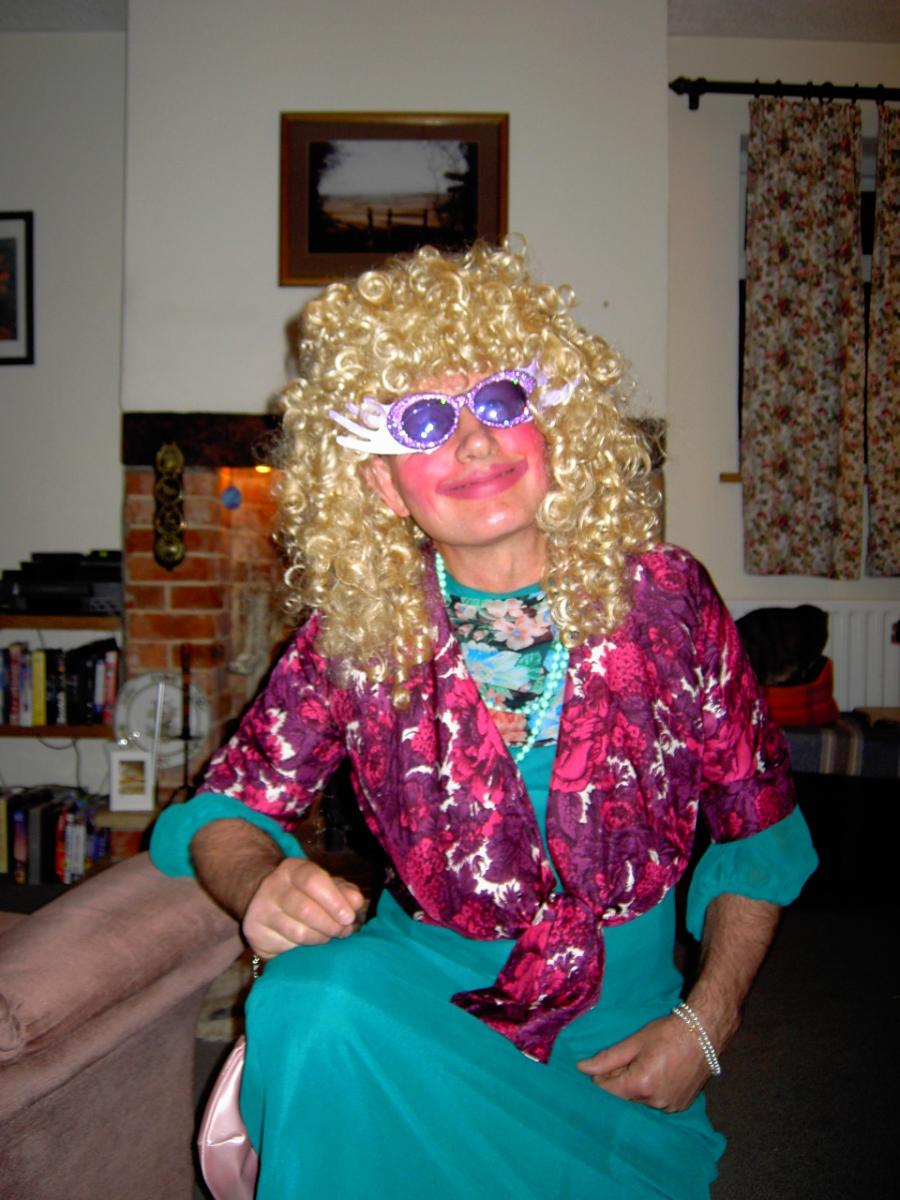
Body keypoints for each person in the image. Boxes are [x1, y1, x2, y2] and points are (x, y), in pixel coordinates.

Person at [150, 239, 817, 1199]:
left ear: (553, 432)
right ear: (383, 484)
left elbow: (760, 833)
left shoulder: (669, 603)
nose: (471, 443)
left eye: (500, 401)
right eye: (422, 421)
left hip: (618, 1054)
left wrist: (708, 1023)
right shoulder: (356, 640)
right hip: (425, 1012)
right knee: (312, 1002)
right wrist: (260, 880)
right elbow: (222, 811)